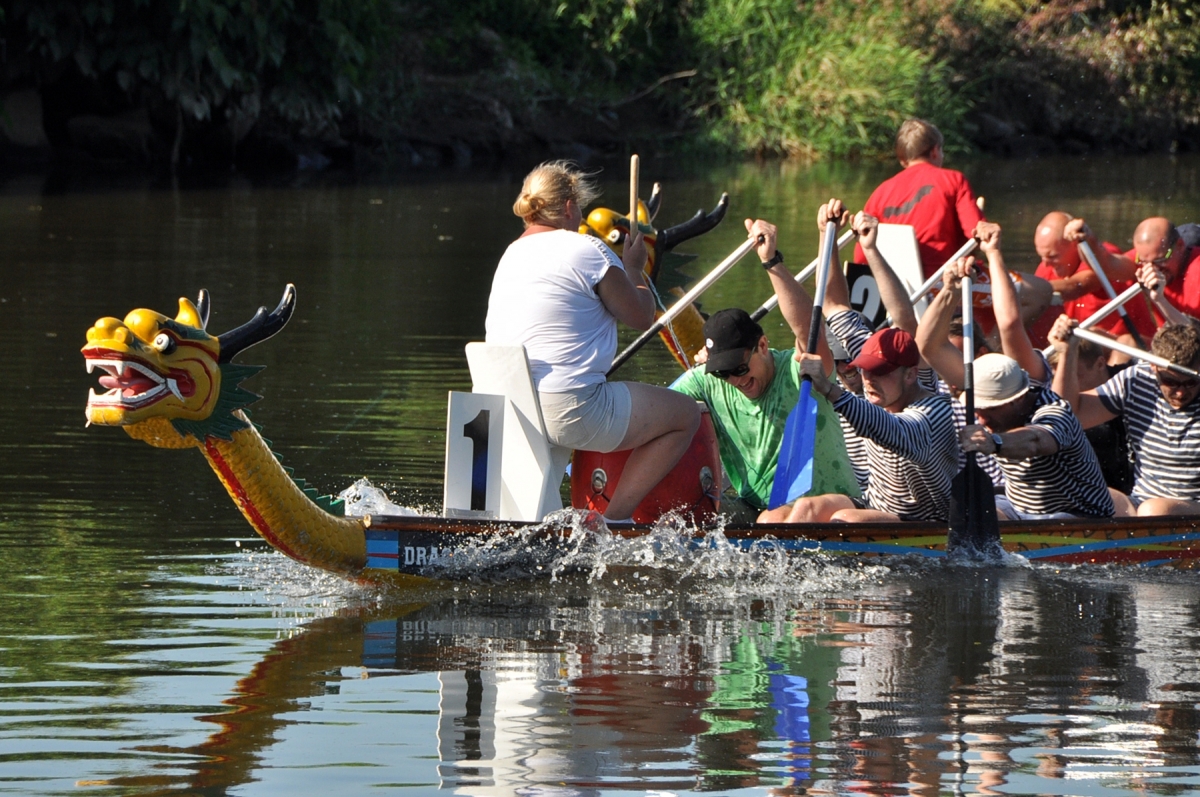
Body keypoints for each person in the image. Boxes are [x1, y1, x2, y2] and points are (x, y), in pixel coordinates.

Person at [484, 160, 700, 521]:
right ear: (569, 207)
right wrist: (635, 269)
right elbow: (642, 316)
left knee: (526, 517)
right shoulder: (587, 250)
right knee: (686, 415)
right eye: (580, 207)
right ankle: (615, 521)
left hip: (509, 404)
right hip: (568, 410)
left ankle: (539, 528)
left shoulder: (509, 254)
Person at [778, 200, 959, 524]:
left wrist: (832, 392)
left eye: (878, 374)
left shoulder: (934, 411)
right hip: (872, 499)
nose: (864, 379)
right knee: (797, 511)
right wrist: (827, 236)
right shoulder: (872, 358)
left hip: (922, 521)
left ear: (910, 375)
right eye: (861, 369)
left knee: (846, 521)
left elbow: (888, 428)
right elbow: (832, 303)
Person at [672, 218, 860, 522]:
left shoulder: (799, 371)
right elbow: (654, 409)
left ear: (762, 346)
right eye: (723, 372)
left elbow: (808, 332)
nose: (735, 380)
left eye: (740, 367)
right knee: (685, 515)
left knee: (776, 519)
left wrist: (771, 261)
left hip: (831, 511)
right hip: (758, 510)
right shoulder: (707, 380)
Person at [1051, 315, 1200, 517]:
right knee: (1080, 491)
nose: (1181, 392)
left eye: (1190, 382)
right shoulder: (1136, 379)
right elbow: (1066, 417)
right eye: (1170, 382)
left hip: (1189, 506)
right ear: (1153, 367)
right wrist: (1068, 352)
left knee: (1154, 510)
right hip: (1141, 502)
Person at [958, 352, 1114, 520]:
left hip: (1081, 517)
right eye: (977, 408)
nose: (981, 420)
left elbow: (1036, 440)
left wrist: (995, 443)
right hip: (1020, 511)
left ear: (1018, 399)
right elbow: (934, 349)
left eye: (992, 408)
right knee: (973, 511)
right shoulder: (996, 416)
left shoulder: (1055, 412)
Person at [854, 118, 984, 280]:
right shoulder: (954, 180)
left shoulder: (879, 194)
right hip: (942, 283)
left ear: (903, 160)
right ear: (935, 151)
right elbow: (979, 237)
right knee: (1024, 288)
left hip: (894, 291)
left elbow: (860, 258)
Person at [1026, 212, 1150, 349]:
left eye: (1052, 256)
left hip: (1129, 347)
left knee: (1112, 339)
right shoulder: (1046, 268)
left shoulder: (1098, 259)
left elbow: (1077, 287)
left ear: (1074, 245)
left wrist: (1020, 287)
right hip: (1082, 347)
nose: (1046, 264)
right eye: (1042, 256)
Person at [1045, 334, 1133, 493]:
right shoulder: (1054, 396)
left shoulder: (1132, 382)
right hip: (1094, 495)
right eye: (1057, 377)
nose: (1065, 385)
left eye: (1074, 376)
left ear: (1100, 363)